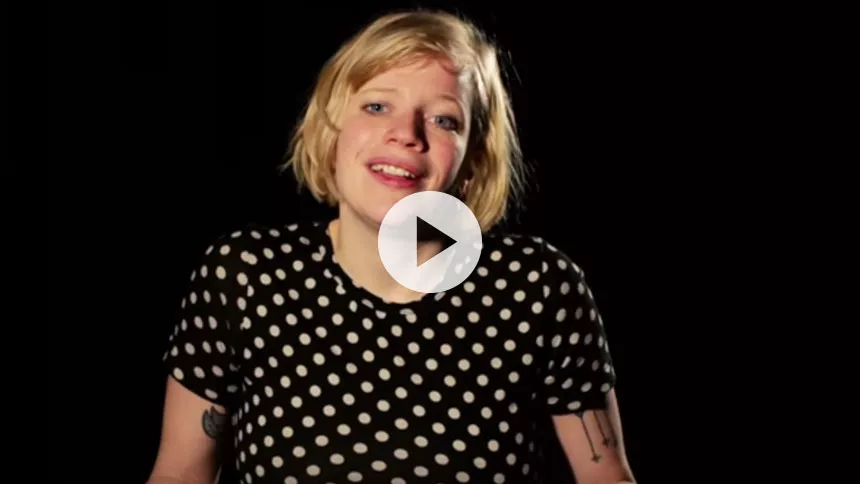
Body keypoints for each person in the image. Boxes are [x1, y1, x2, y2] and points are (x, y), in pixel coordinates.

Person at [147, 9, 636, 484]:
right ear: (332, 128)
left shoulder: (536, 287)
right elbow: (180, 473)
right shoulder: (247, 276)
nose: (406, 135)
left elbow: (606, 474)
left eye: (444, 120)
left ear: (473, 160)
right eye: (378, 106)